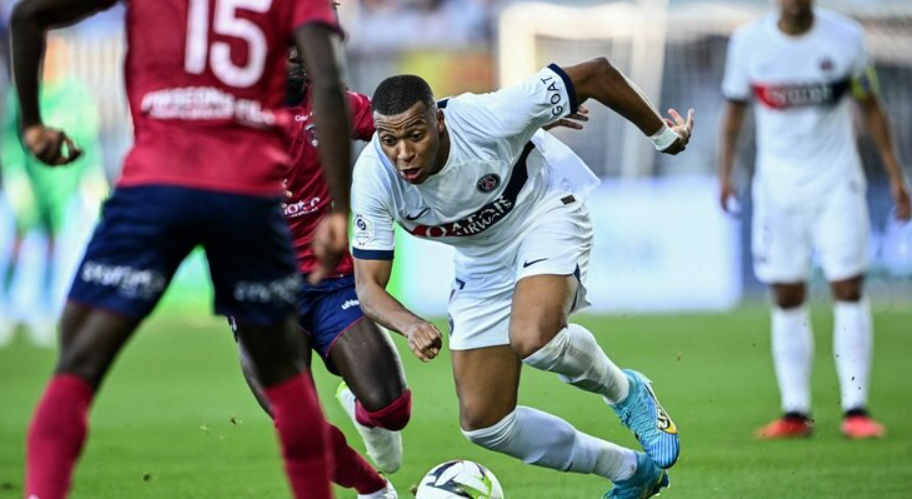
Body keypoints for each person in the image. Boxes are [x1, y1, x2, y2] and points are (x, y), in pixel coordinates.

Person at [11, 0, 354, 498]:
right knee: (285, 374)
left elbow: (26, 16)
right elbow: (328, 77)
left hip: (157, 185)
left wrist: (32, 124)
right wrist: (339, 210)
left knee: (78, 361)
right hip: (248, 191)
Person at [350, 59, 694, 498]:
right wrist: (411, 324)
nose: (403, 153)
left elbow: (597, 74)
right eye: (389, 140)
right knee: (485, 424)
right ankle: (631, 472)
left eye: (415, 135)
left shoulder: (486, 117)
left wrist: (663, 138)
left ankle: (625, 391)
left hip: (543, 210)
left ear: (439, 120)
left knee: (535, 339)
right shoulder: (374, 177)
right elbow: (368, 287)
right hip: (479, 259)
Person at [718, 0, 911, 440]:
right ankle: (795, 412)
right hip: (777, 190)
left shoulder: (846, 38)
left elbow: (871, 104)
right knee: (786, 293)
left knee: (848, 287)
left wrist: (896, 173)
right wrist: (725, 174)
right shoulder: (748, 43)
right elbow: (733, 113)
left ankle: (856, 408)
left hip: (837, 183)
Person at [232, 49, 406, 498]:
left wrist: (514, 126)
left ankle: (363, 410)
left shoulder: (330, 103)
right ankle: (374, 491)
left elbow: (403, 120)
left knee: (393, 409)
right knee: (297, 426)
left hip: (330, 283)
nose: (296, 54)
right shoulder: (231, 109)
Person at [0, 37, 106, 347]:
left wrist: (93, 181)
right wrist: (16, 177)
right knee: (20, 247)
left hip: (62, 187)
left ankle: (44, 312)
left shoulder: (76, 95)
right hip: (32, 184)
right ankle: (7, 306)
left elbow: (87, 141)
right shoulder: (24, 95)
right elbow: (11, 141)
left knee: (56, 248)